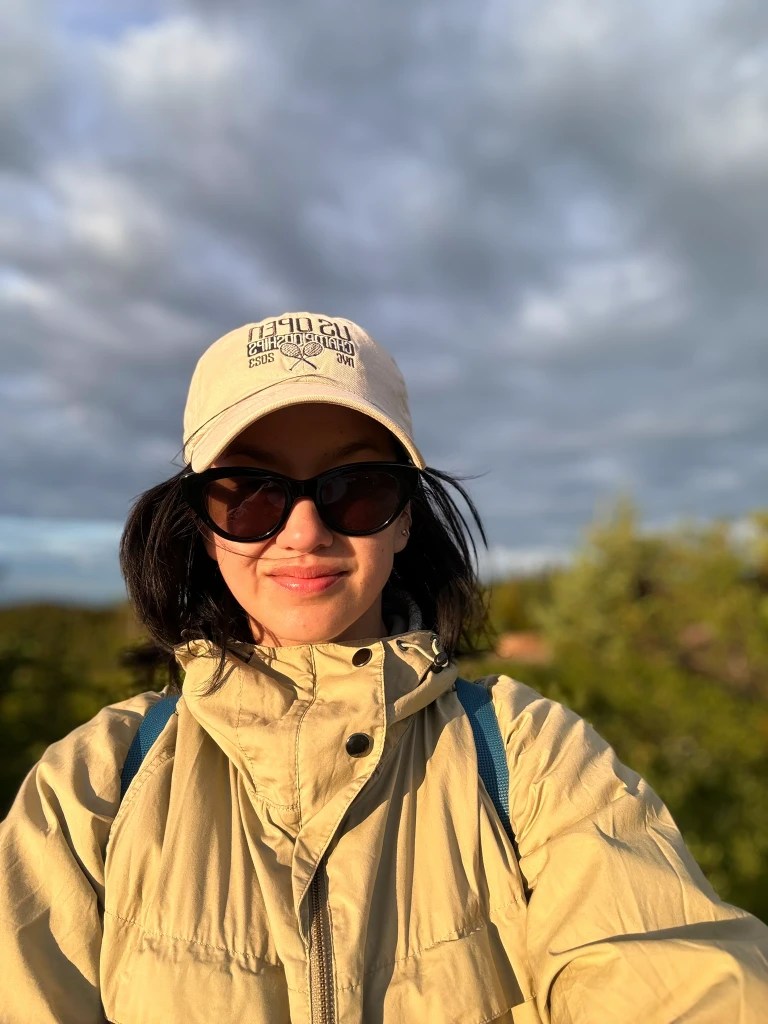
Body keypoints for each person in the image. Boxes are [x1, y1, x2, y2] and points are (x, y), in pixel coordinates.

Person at [1, 312, 767, 1024]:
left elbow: (677, 974)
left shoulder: (531, 757)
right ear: (202, 528)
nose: (304, 531)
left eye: (357, 489)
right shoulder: (91, 788)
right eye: (249, 494)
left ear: (404, 519)